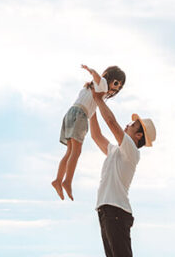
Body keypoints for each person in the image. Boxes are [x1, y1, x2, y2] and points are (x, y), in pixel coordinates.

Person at [87, 86, 156, 257]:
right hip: (106, 209)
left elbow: (112, 123)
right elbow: (96, 135)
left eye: (133, 125)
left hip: (117, 211)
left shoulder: (130, 152)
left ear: (138, 136)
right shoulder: (116, 151)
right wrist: (91, 107)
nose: (128, 124)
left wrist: (98, 99)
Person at [52, 64, 126, 201]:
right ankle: (67, 181)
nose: (116, 87)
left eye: (120, 87)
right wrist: (92, 71)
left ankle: (58, 180)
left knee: (69, 151)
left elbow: (92, 107)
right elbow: (100, 79)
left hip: (70, 113)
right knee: (76, 151)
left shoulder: (89, 88)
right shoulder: (102, 85)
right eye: (116, 83)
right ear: (109, 78)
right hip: (81, 115)